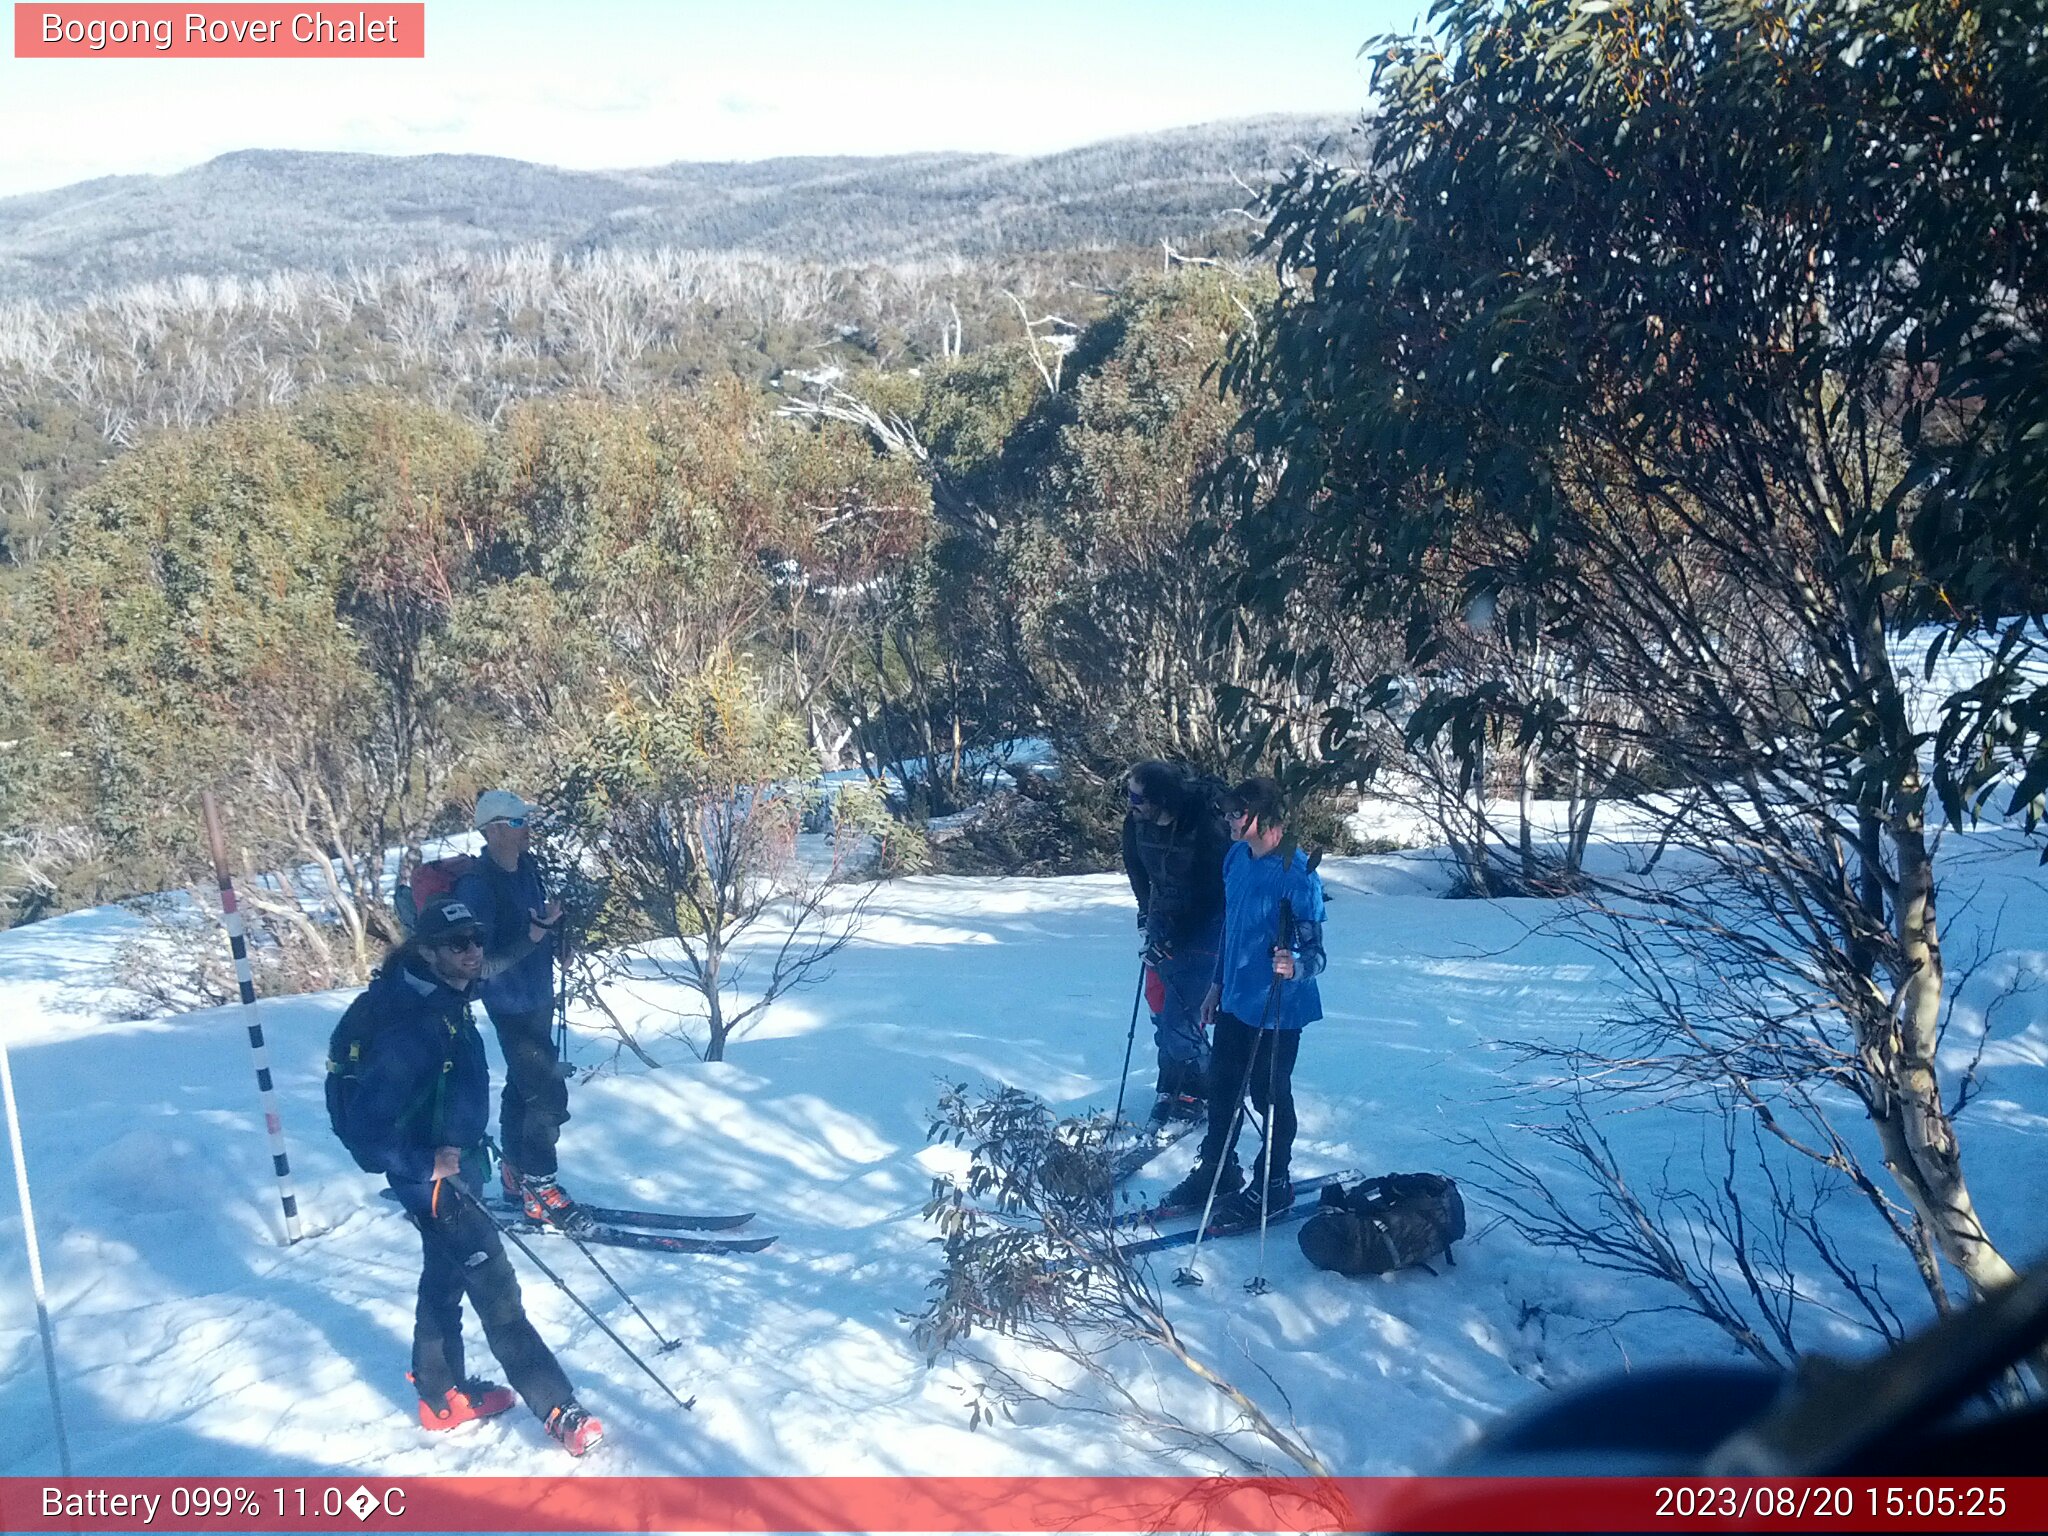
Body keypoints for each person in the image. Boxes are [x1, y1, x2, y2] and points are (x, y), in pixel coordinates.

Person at [341, 897, 604, 1455]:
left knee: (445, 1272)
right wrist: (423, 1164)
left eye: (476, 939)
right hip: (432, 1179)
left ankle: (440, 1397)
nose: (472, 952)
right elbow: (365, 1132)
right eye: (458, 943)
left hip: (458, 1164)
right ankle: (558, 1406)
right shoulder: (408, 1025)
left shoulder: (445, 994)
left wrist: (534, 934)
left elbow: (499, 969)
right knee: (496, 1288)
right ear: (429, 949)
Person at [1160, 776, 1326, 1220]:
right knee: (1222, 1086)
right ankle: (1217, 1171)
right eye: (1227, 812)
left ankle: (1275, 1182)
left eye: (1237, 813)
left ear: (1266, 818)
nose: (1229, 820)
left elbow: (1316, 955)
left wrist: (1295, 966)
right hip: (1235, 997)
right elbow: (1231, 930)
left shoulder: (1299, 875)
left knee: (1269, 1093)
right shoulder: (1236, 858)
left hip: (1279, 1006)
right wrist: (1216, 985)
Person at [452, 789, 581, 1230]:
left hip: (538, 995)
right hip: (509, 1004)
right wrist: (534, 937)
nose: (527, 828)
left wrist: (557, 937)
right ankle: (539, 1190)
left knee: (522, 1087)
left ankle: (515, 1173)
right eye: (517, 822)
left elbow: (539, 923)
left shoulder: (527, 867)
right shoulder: (477, 887)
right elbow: (478, 965)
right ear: (491, 831)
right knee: (546, 1094)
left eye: (526, 821)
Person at [1121, 761, 1230, 1123]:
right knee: (1159, 1006)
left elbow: (1212, 890)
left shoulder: (1203, 825)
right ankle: (1172, 1080)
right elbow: (1136, 868)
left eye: (1137, 797)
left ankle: (1207, 1085)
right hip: (1162, 916)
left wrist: (1175, 940)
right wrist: (1144, 913)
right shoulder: (1137, 823)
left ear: (1161, 799)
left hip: (1205, 922)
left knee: (1183, 1016)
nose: (1131, 803)